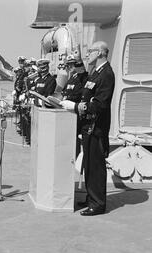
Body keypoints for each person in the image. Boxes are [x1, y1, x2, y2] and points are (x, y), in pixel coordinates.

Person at [61, 41, 115, 216]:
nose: (87, 54)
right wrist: (77, 61)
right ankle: (92, 197)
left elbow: (100, 104)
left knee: (96, 167)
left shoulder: (107, 74)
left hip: (96, 128)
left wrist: (76, 107)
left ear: (100, 52)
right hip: (88, 127)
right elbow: (85, 80)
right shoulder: (96, 72)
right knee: (89, 166)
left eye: (90, 51)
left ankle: (98, 204)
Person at [61, 55, 88, 156]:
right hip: (67, 114)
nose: (69, 67)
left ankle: (76, 156)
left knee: (75, 139)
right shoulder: (71, 78)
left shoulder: (82, 77)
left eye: (72, 64)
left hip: (76, 114)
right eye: (67, 65)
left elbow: (81, 92)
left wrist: (78, 61)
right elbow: (64, 92)